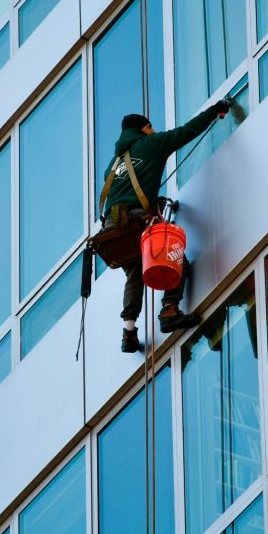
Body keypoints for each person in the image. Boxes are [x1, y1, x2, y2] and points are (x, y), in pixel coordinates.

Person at [101, 100, 231, 352]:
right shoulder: (151, 144)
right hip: (138, 222)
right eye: (151, 127)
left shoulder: (113, 165)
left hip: (113, 230)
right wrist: (216, 109)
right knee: (177, 260)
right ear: (145, 128)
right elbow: (187, 131)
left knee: (134, 274)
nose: (154, 130)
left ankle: (128, 333)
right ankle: (170, 309)